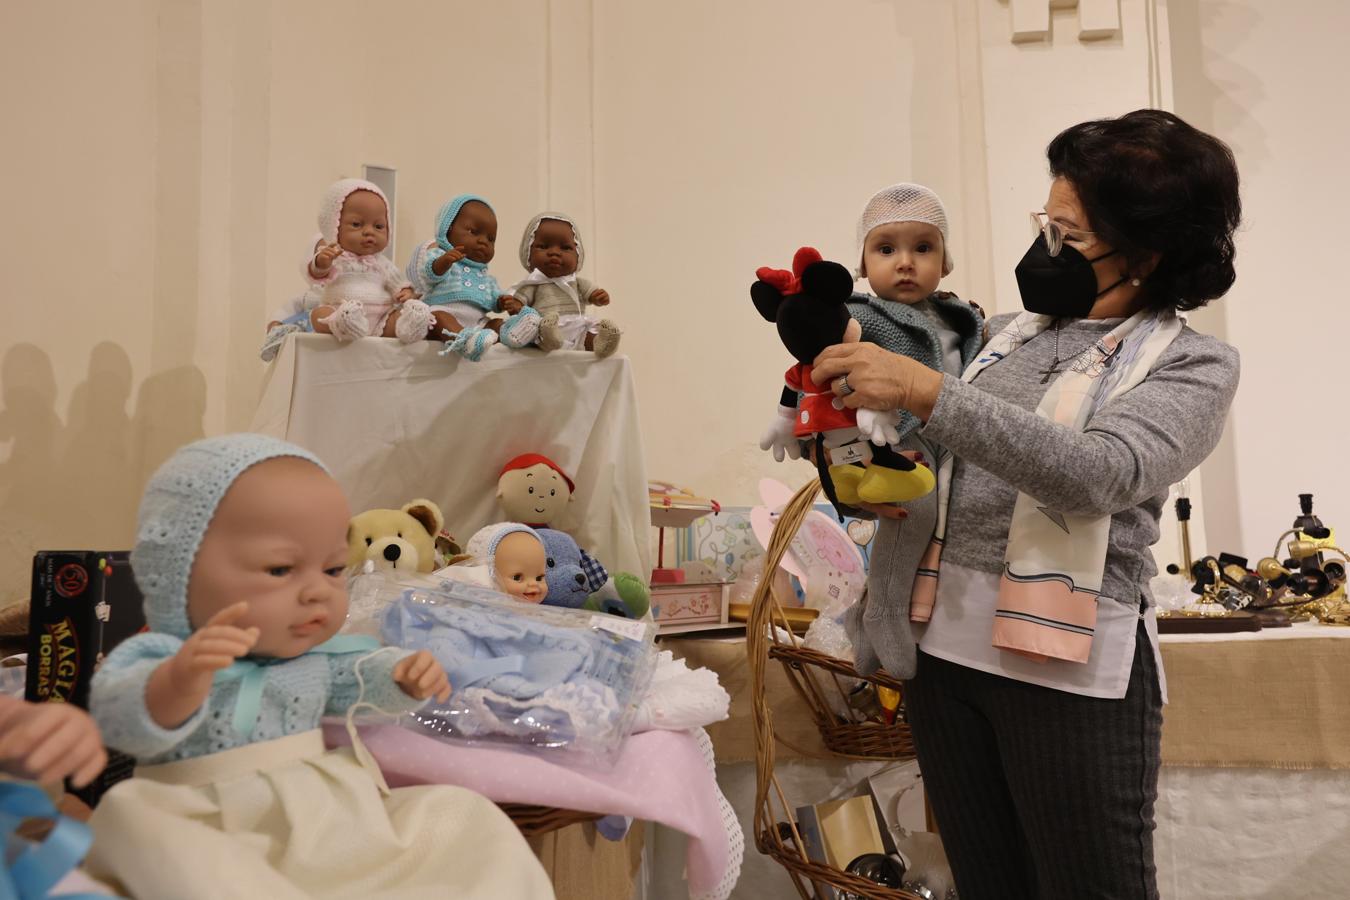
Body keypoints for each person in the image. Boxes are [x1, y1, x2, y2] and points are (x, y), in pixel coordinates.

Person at [813, 109, 1242, 900]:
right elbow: (933, 450)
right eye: (1045, 223)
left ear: (1145, 256)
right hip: (942, 654)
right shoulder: (1001, 333)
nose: (1044, 249)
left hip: (1066, 674)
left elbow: (1098, 473)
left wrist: (923, 390)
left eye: (1069, 237)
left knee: (1090, 886)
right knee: (989, 883)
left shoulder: (1192, 363)